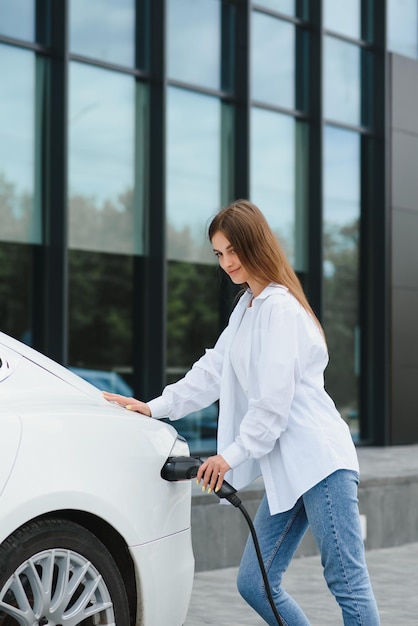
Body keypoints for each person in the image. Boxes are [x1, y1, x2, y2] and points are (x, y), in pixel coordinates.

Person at [103, 199, 380, 625]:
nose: (227, 262)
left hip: (320, 460)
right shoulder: (247, 309)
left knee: (346, 581)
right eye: (219, 253)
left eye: (233, 250)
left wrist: (230, 455)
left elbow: (272, 404)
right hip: (286, 469)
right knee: (255, 581)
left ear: (255, 246)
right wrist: (154, 407)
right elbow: (212, 372)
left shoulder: (281, 309)